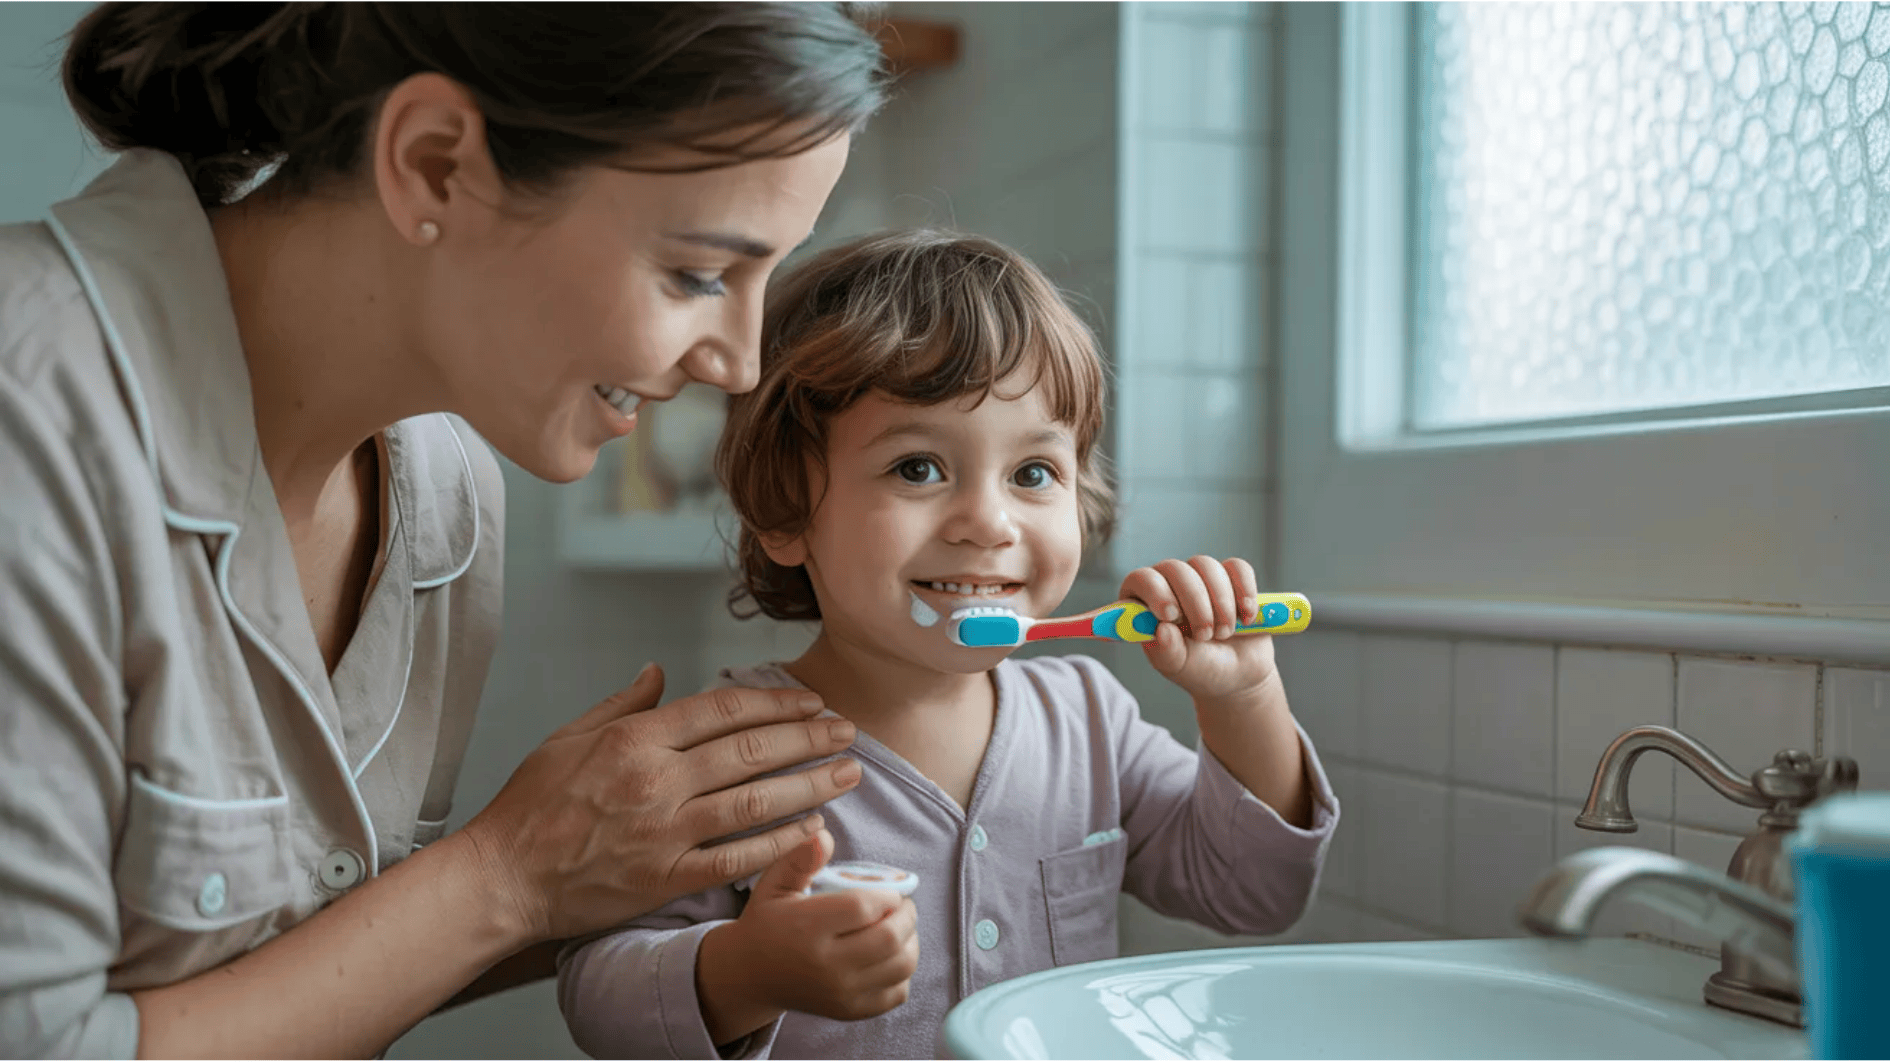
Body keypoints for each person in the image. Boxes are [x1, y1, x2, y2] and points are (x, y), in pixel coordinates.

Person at [0, 4, 893, 1057]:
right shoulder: (31, 418)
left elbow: (313, 964)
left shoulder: (446, 485)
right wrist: (509, 876)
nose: (736, 364)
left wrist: (611, 872)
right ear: (433, 166)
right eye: (698, 273)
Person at [556, 230, 1340, 1059]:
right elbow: (596, 994)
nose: (989, 523)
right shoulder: (727, 758)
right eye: (919, 468)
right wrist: (743, 973)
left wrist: (1242, 696)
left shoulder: (1092, 722)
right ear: (787, 510)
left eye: (1033, 474)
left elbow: (1256, 892)